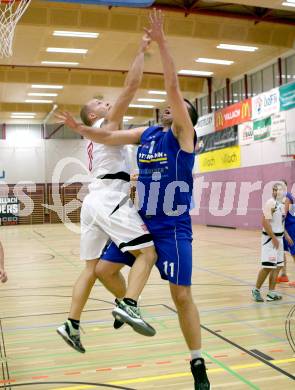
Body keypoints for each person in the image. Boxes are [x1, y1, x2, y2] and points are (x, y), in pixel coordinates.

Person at [58, 9, 210, 389]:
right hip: (139, 216)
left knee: (181, 296)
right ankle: (128, 306)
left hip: (173, 227)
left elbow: (174, 89)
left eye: (175, 106)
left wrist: (161, 45)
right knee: (104, 270)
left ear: (184, 116)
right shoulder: (147, 134)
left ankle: (197, 362)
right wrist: (84, 131)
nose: (167, 104)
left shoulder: (182, 135)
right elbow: (109, 138)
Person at [56, 34, 158, 354]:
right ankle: (129, 304)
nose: (106, 103)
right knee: (148, 253)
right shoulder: (108, 123)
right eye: (99, 103)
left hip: (95, 200)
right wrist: (139, 50)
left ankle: (71, 323)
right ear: (94, 116)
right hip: (109, 198)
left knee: (95, 269)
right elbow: (130, 87)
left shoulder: (97, 135)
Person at [252, 182, 292, 302]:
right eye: (274, 190)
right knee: (268, 267)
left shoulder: (281, 205)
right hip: (270, 240)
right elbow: (264, 222)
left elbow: (280, 223)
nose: (276, 192)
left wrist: (286, 235)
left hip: (279, 239)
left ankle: (271, 292)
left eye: (278, 190)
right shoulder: (271, 203)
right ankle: (256, 290)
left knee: (278, 266)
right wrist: (274, 238)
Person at [276, 180, 295, 286]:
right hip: (284, 228)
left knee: (294, 252)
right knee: (281, 250)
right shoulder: (279, 198)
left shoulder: (288, 196)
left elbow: (284, 214)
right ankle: (283, 275)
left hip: (291, 227)